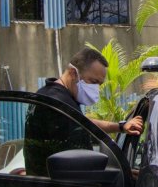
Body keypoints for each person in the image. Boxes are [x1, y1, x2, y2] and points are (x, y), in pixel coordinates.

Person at [24, 48, 143, 176]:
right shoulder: (57, 104)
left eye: (99, 84)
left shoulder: (53, 96)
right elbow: (77, 163)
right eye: (93, 82)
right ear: (73, 73)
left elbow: (82, 123)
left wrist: (120, 126)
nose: (96, 89)